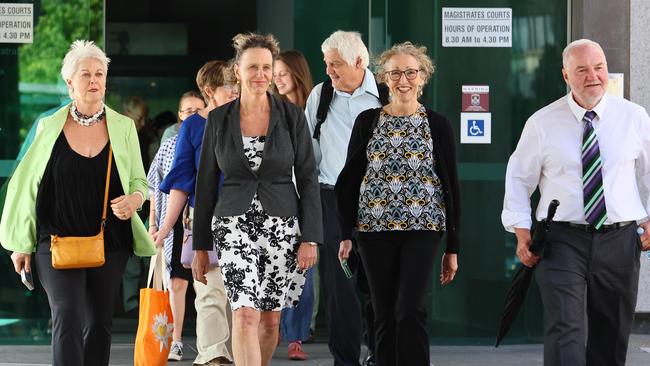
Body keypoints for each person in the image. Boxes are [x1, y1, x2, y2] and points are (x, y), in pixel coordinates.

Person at [0, 40, 155, 366]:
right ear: (70, 82)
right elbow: (27, 185)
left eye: (100, 73)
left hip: (109, 240)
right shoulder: (48, 126)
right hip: (54, 238)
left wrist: (135, 199)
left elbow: (141, 182)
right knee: (67, 315)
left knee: (98, 323)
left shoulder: (124, 127)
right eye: (85, 74)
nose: (94, 80)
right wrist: (20, 244)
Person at [502, 38, 650, 366]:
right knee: (565, 327)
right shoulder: (542, 123)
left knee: (611, 333)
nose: (592, 76)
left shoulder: (633, 117)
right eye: (581, 70)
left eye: (598, 68)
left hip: (620, 239)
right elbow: (518, 177)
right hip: (561, 240)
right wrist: (522, 231)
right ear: (566, 76)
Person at [193, 32, 322, 366]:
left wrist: (310, 237)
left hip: (283, 225)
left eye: (267, 67)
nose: (261, 74)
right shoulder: (219, 119)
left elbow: (308, 178)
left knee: (269, 321)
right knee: (245, 314)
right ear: (238, 70)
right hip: (232, 224)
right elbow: (205, 184)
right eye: (253, 67)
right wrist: (200, 248)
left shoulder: (292, 116)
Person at [335, 41, 460, 366]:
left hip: (423, 229)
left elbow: (452, 187)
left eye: (410, 72)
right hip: (373, 231)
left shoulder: (438, 124)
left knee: (410, 308)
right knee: (383, 310)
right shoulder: (368, 121)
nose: (403, 79)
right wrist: (346, 233)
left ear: (422, 77)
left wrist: (453, 247)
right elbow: (349, 181)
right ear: (384, 78)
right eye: (394, 73)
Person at [304, 30, 383, 366]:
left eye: (336, 64)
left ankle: (381, 354)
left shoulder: (387, 95)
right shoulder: (320, 95)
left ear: (359, 62)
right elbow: (306, 153)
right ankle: (345, 361)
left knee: (379, 285)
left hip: (380, 204)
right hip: (333, 201)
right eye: (327, 64)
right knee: (342, 288)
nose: (329, 71)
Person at [155, 61, 238, 364]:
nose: (235, 92)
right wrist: (165, 229)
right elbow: (181, 181)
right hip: (205, 219)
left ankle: (236, 355)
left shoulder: (248, 119)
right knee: (210, 292)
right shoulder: (193, 126)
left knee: (238, 297)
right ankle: (213, 357)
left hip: (246, 220)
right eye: (229, 86)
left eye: (236, 85)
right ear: (209, 91)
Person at [147, 90, 206, 361]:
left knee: (204, 284)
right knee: (177, 284)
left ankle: (209, 341)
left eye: (198, 109)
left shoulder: (212, 138)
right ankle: (177, 340)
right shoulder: (169, 145)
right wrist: (155, 223)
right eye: (187, 111)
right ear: (179, 116)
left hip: (202, 219)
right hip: (176, 223)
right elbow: (153, 187)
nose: (193, 115)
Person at [274, 49, 317, 361]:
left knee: (304, 270)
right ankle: (275, 329)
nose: (277, 78)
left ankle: (296, 336)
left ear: (297, 74)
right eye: (274, 73)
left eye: (282, 73)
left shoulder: (314, 110)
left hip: (307, 195)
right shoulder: (270, 109)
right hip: (277, 196)